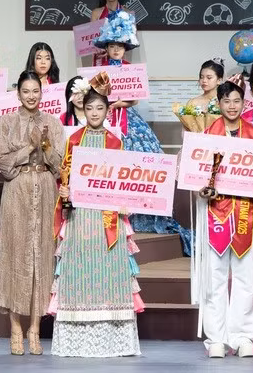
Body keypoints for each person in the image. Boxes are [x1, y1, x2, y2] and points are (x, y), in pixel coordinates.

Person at [49, 78, 144, 357]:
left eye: (99, 108)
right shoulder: (73, 140)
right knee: (78, 268)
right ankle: (75, 339)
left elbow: (124, 178)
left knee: (110, 269)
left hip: (107, 216)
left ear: (107, 110)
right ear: (83, 109)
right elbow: (64, 176)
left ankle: (114, 339)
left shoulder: (116, 142)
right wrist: (64, 189)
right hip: (80, 217)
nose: (94, 113)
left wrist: (125, 200)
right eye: (89, 108)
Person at [93, 10, 192, 253]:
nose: (116, 50)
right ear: (107, 47)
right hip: (105, 117)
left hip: (127, 117)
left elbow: (135, 99)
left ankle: (139, 214)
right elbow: (92, 96)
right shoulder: (99, 69)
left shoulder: (131, 68)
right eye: (112, 46)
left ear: (126, 48)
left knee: (141, 161)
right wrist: (105, 104)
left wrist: (118, 103)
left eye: (120, 46)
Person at [192, 74, 253, 359]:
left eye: (237, 101)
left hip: (246, 212)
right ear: (218, 103)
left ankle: (242, 336)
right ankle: (216, 338)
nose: (231, 106)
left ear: (244, 103)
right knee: (214, 276)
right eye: (226, 101)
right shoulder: (206, 136)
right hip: (215, 211)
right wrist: (200, 189)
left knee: (244, 276)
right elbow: (195, 176)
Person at [0, 71, 65, 356]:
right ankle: (15, 329)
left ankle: (35, 329)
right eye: (26, 91)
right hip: (17, 191)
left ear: (42, 93)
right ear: (18, 94)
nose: (31, 96)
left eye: (36, 91)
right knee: (15, 255)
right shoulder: (7, 123)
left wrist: (45, 146)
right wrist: (30, 147)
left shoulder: (53, 123)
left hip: (45, 190)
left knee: (42, 257)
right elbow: (3, 164)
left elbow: (60, 165)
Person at [90, 0, 131, 66]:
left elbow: (132, 38)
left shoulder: (127, 13)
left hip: (119, 55)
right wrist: (99, 47)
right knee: (101, 75)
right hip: (100, 56)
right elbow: (92, 37)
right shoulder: (96, 13)